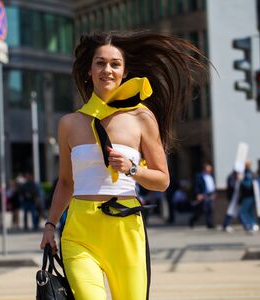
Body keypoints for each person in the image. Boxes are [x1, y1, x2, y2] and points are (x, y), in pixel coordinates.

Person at [40, 31, 206, 299]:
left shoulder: (141, 118)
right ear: (89, 71)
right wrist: (50, 226)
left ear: (125, 72)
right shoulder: (69, 124)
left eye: (115, 64)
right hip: (79, 231)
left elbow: (162, 180)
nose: (108, 69)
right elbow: (66, 182)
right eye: (100, 63)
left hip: (125, 230)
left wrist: (132, 168)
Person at [189, 163, 216, 229]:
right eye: (208, 168)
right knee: (202, 210)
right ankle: (192, 220)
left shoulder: (211, 176)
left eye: (210, 168)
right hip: (203, 194)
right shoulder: (200, 176)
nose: (210, 170)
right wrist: (198, 194)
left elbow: (212, 185)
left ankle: (210, 224)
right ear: (205, 169)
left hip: (210, 194)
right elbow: (196, 185)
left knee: (210, 209)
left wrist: (214, 193)